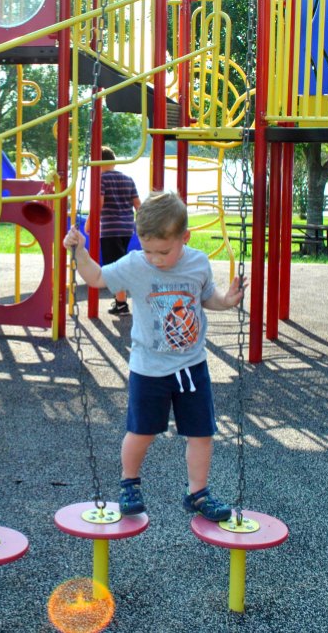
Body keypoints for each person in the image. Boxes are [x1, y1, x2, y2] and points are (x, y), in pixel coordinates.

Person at [63, 191, 247, 521]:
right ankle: (129, 484)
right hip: (148, 368)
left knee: (201, 433)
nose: (155, 258)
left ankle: (198, 493)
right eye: (148, 249)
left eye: (163, 251)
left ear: (185, 237)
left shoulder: (198, 262)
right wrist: (79, 251)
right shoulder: (137, 264)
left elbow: (207, 299)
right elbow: (96, 277)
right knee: (142, 431)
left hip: (191, 365)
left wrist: (227, 300)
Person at [95, 146, 141, 315]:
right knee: (118, 263)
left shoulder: (101, 179)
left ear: (98, 162)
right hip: (127, 228)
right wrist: (142, 225)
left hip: (110, 228)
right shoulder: (128, 179)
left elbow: (99, 204)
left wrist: (90, 223)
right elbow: (138, 205)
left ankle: (121, 304)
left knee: (114, 268)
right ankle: (119, 302)